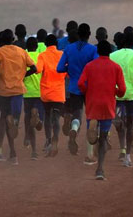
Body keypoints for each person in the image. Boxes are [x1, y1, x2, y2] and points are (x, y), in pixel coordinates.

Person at [77, 40, 126, 180]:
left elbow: (80, 83)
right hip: (108, 104)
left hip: (92, 102)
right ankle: (100, 169)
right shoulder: (116, 67)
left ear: (97, 51)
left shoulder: (89, 66)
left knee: (92, 123)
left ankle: (92, 128)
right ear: (110, 52)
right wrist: (116, 92)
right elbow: (122, 89)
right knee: (104, 137)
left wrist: (87, 91)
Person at [0, 29, 37, 164]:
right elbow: (34, 68)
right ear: (12, 39)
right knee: (14, 117)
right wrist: (21, 76)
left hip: (3, 91)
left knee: (3, 118)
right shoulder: (21, 51)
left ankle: (12, 154)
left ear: (1, 41)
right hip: (18, 90)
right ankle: (14, 121)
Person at [57, 23, 98, 162]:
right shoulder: (93, 50)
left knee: (77, 114)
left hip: (74, 87)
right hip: (89, 88)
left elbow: (59, 68)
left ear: (78, 34)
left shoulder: (69, 48)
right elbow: (96, 67)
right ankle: (89, 154)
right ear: (89, 34)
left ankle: (74, 128)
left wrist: (70, 69)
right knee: (90, 117)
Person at [110, 32, 133, 167]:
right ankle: (128, 157)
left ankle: (122, 149)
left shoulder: (113, 56)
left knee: (120, 124)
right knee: (130, 125)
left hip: (117, 94)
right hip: (132, 95)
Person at [37, 35, 67, 157]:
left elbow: (38, 69)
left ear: (45, 44)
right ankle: (56, 139)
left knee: (47, 117)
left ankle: (49, 141)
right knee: (56, 118)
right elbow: (67, 70)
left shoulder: (42, 55)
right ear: (56, 44)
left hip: (46, 92)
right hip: (59, 92)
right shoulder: (62, 54)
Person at [23, 37, 45, 159]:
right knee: (39, 118)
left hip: (27, 93)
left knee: (28, 121)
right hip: (40, 92)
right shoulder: (41, 57)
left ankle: (34, 151)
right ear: (37, 46)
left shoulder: (24, 56)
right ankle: (40, 119)